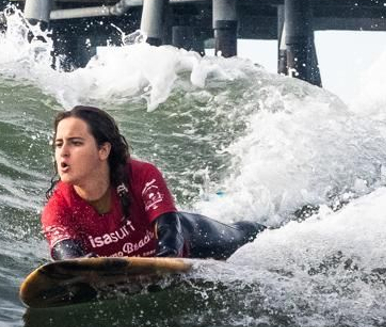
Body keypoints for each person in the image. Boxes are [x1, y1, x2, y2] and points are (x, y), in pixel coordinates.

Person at [41, 105, 265, 261]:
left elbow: (169, 232)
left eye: (75, 143)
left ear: (103, 150)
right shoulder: (57, 208)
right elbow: (67, 254)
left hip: (194, 240)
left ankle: (277, 228)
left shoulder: (142, 175)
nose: (63, 153)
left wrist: (164, 261)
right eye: (59, 144)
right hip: (138, 263)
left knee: (247, 237)